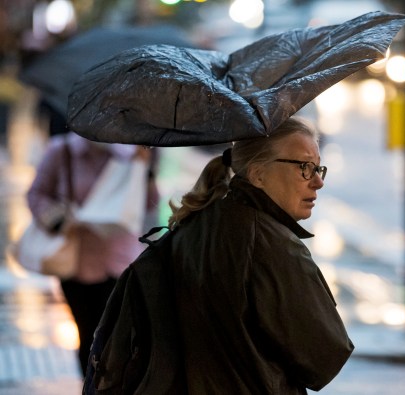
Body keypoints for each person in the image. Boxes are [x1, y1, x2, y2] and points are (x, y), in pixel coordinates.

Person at [168, 116, 353, 393]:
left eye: (318, 168)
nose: (317, 182)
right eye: (304, 167)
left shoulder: (193, 227)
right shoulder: (273, 246)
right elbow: (324, 358)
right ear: (257, 174)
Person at [26, 131, 160, 375]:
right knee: (89, 334)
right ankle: (91, 385)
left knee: (116, 336)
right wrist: (58, 220)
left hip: (119, 261)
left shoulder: (132, 153)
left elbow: (150, 202)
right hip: (75, 260)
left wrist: (145, 172)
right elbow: (36, 194)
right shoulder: (62, 151)